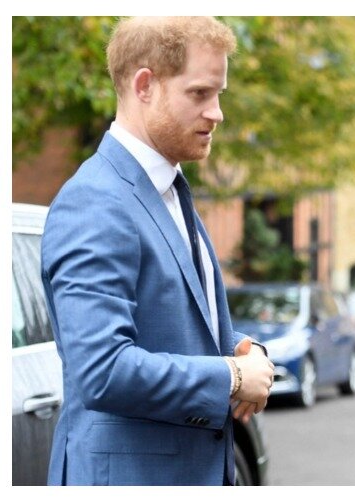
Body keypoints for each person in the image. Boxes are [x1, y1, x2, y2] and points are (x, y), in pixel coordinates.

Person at [41, 17, 275, 485]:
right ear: (144, 85)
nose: (217, 113)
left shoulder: (168, 188)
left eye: (219, 94)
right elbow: (103, 370)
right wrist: (229, 376)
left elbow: (169, 325)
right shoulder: (95, 201)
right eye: (199, 93)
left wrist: (243, 353)